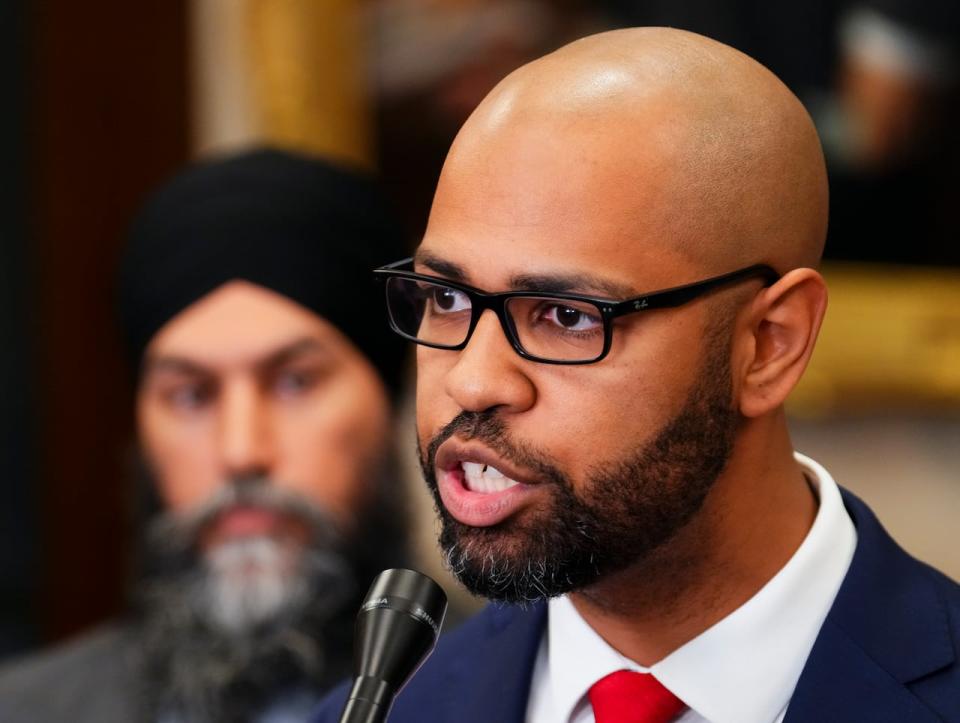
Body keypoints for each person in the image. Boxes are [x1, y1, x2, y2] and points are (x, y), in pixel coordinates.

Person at [312, 27, 960, 723]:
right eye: (445, 298)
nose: (473, 383)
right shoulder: (385, 710)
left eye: (566, 315)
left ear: (770, 343)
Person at [0, 149, 410, 722]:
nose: (240, 452)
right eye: (191, 395)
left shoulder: (526, 694)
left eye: (294, 382)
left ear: (389, 402)